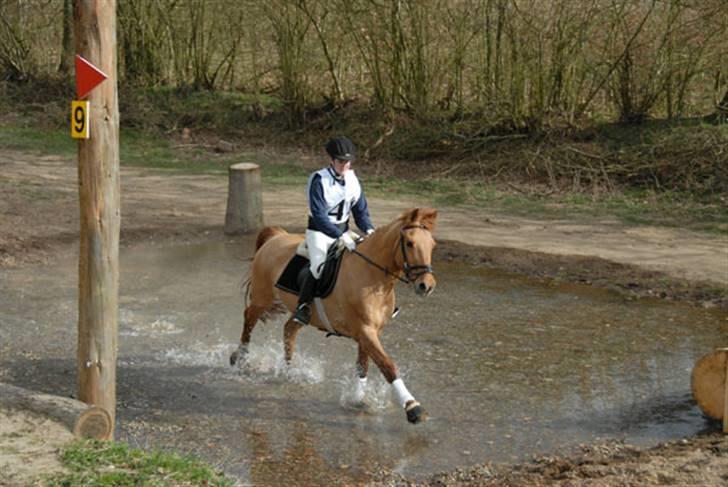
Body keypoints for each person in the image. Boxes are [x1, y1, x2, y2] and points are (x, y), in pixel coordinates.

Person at [293, 136, 375, 326]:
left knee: (368, 258)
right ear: (332, 160)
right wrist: (340, 235)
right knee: (318, 267)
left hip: (344, 231)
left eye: (347, 161)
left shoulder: (353, 180)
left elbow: (360, 211)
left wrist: (369, 230)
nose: (344, 165)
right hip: (319, 233)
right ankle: (303, 306)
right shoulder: (319, 180)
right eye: (340, 161)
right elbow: (319, 216)